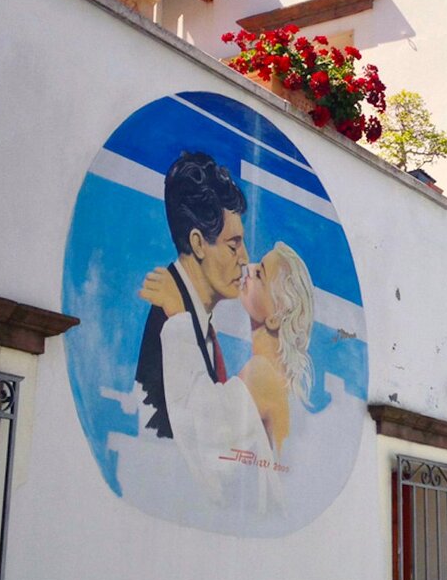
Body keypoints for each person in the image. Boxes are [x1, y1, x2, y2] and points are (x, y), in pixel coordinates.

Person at [140, 241, 316, 459]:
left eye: (260, 273)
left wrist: (178, 315)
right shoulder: (277, 378)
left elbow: (202, 428)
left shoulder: (263, 373)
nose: (248, 268)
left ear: (274, 318)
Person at [134, 151, 248, 440]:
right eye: (233, 245)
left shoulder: (190, 316)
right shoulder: (170, 321)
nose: (245, 258)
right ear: (198, 243)